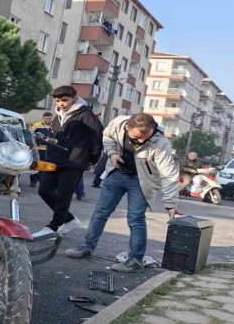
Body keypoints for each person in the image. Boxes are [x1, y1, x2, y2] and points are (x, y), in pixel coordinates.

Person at [65, 113, 182, 272]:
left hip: (141, 182)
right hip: (116, 173)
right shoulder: (118, 124)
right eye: (136, 137)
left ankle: (135, 260)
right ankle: (87, 247)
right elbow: (107, 137)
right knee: (100, 212)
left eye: (146, 137)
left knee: (135, 218)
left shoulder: (161, 142)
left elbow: (169, 174)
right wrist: (112, 154)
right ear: (128, 127)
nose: (141, 141)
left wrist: (170, 203)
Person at [32, 86, 103, 238]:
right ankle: (69, 220)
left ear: (74, 98)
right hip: (53, 161)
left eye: (65, 100)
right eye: (58, 101)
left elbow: (97, 138)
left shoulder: (86, 115)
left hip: (74, 162)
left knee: (64, 195)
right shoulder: (58, 116)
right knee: (43, 190)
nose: (61, 104)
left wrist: (92, 159)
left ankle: (54, 227)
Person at [29, 112, 53, 187]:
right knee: (35, 165)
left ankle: (42, 181)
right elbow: (30, 135)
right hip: (38, 149)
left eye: (49, 118)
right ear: (43, 118)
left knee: (45, 166)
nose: (48, 120)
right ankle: (33, 181)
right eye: (46, 118)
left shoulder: (54, 126)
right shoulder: (36, 125)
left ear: (52, 118)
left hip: (49, 149)